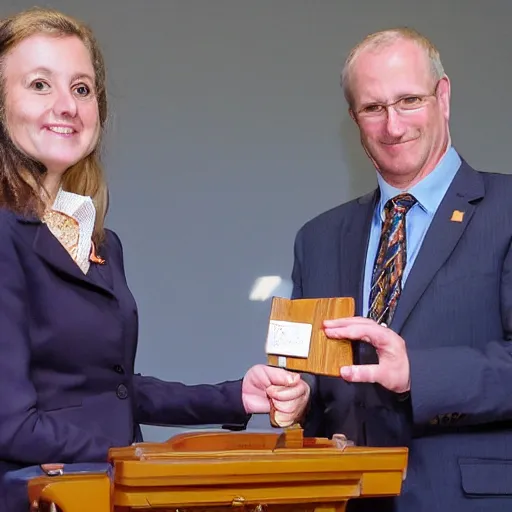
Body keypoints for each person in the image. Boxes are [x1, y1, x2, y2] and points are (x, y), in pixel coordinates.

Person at [0, 7, 309, 511]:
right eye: (39, 84)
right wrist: (146, 459)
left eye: (81, 88)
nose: (67, 105)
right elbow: (9, 425)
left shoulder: (99, 240)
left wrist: (236, 398)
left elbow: (110, 391)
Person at [275, 27, 512, 511]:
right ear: (353, 119)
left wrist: (417, 373)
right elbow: (314, 380)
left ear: (443, 97)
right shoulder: (317, 238)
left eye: (409, 100)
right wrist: (296, 401)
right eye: (373, 108)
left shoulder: (507, 210)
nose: (393, 126)